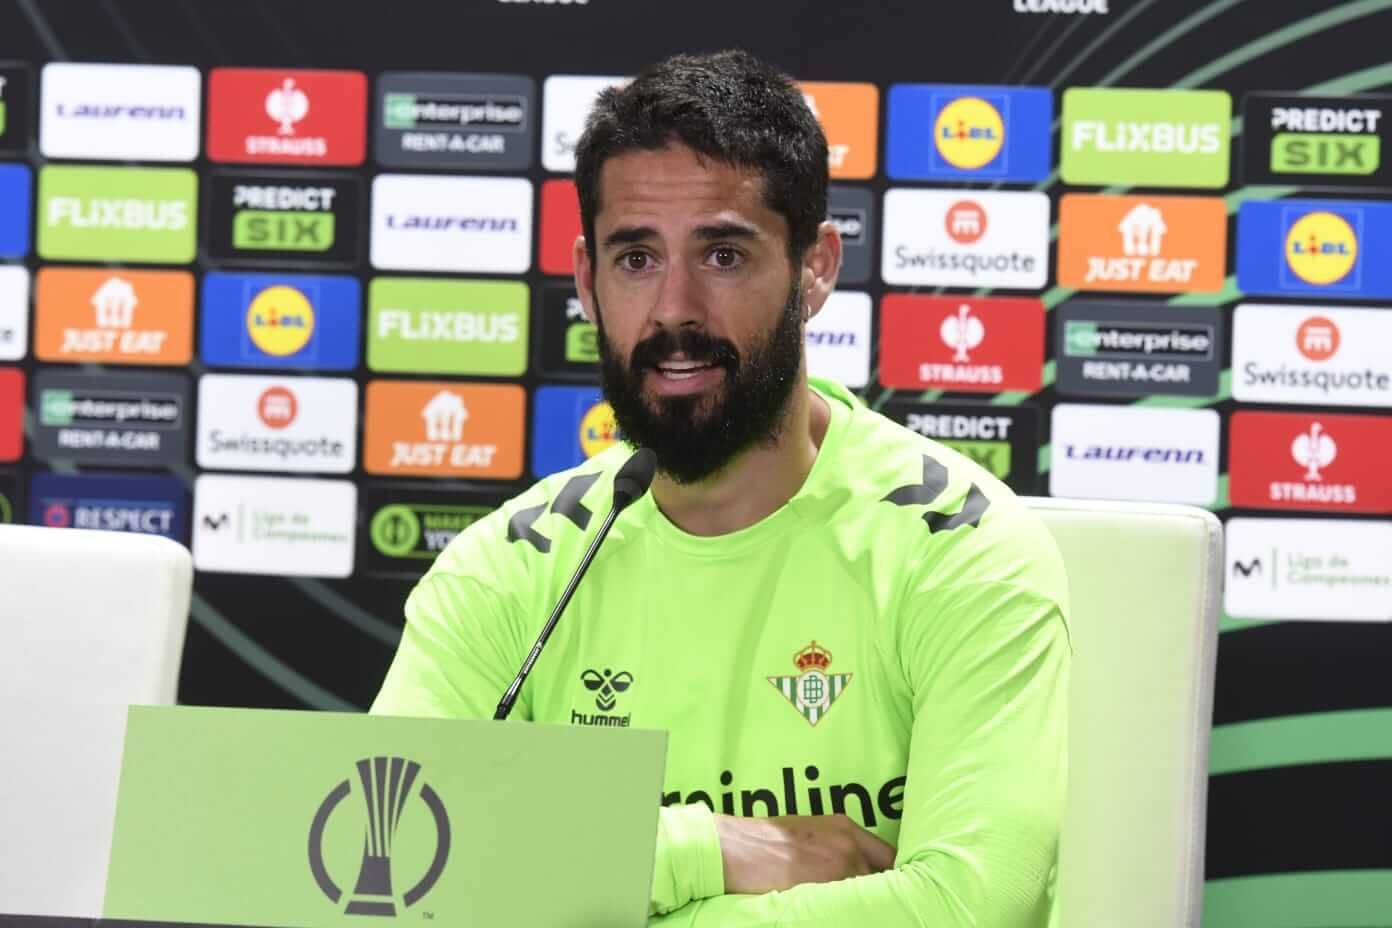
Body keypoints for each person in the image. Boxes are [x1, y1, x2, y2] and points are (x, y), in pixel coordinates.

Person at [372, 49, 1071, 926]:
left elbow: (970, 910)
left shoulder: (963, 552)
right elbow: (384, 867)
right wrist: (714, 851)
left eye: (725, 255)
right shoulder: (508, 571)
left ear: (814, 268)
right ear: (586, 281)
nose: (673, 310)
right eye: (635, 260)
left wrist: (577, 885)